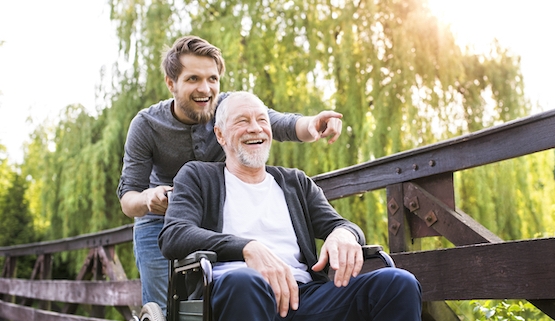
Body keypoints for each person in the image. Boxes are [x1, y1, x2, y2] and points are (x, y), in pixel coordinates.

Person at [117, 35, 344, 314]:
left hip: (214, 216)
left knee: (222, 292)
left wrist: (314, 124)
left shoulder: (229, 110)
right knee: (167, 308)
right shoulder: (146, 125)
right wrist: (149, 198)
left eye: (212, 79)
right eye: (193, 79)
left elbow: (280, 123)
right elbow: (128, 200)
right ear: (170, 83)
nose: (205, 88)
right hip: (159, 222)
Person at [158, 91, 422, 320]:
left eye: (262, 120)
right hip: (237, 294)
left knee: (397, 283)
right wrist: (247, 248)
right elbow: (174, 235)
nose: (256, 128)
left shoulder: (295, 182)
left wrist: (343, 233)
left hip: (303, 297)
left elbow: (340, 224)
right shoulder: (198, 176)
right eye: (243, 121)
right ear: (220, 135)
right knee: (245, 282)